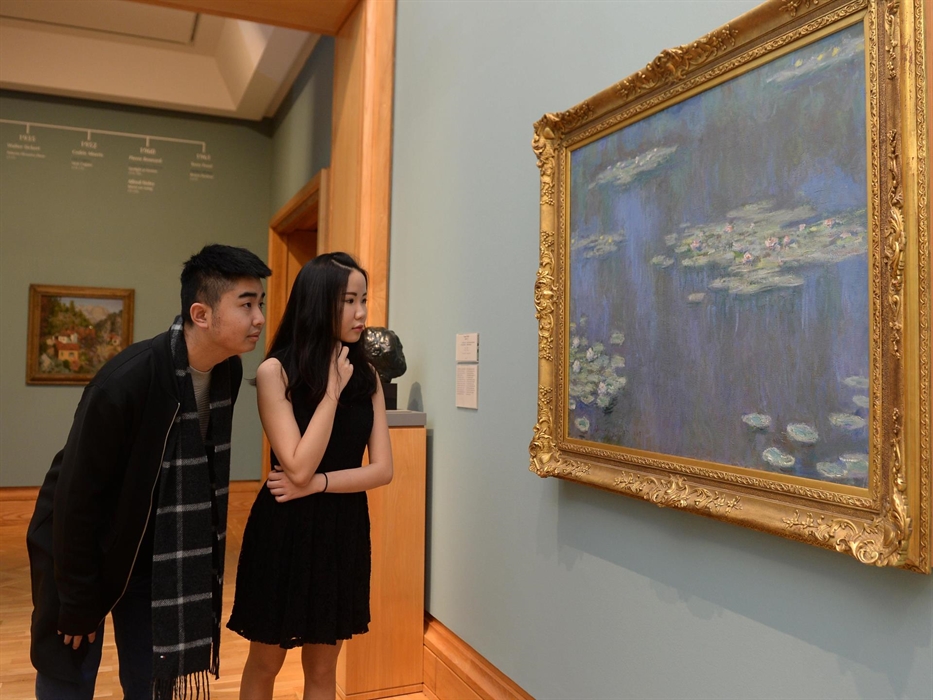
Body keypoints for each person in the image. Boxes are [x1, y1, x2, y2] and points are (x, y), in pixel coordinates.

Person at [26, 244, 272, 700]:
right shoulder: (126, 381)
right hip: (82, 548)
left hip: (156, 552)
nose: (259, 317)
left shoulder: (227, 373)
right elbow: (76, 500)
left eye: (261, 304)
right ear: (201, 313)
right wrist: (79, 602)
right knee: (68, 671)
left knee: (152, 679)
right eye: (246, 304)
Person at [227, 252, 393, 699]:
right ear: (319, 304)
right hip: (284, 527)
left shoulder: (369, 377)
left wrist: (320, 484)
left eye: (364, 300)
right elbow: (297, 462)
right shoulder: (274, 372)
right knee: (265, 661)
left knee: (323, 667)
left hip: (342, 528)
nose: (361, 313)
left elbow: (382, 470)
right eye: (348, 301)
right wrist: (332, 392)